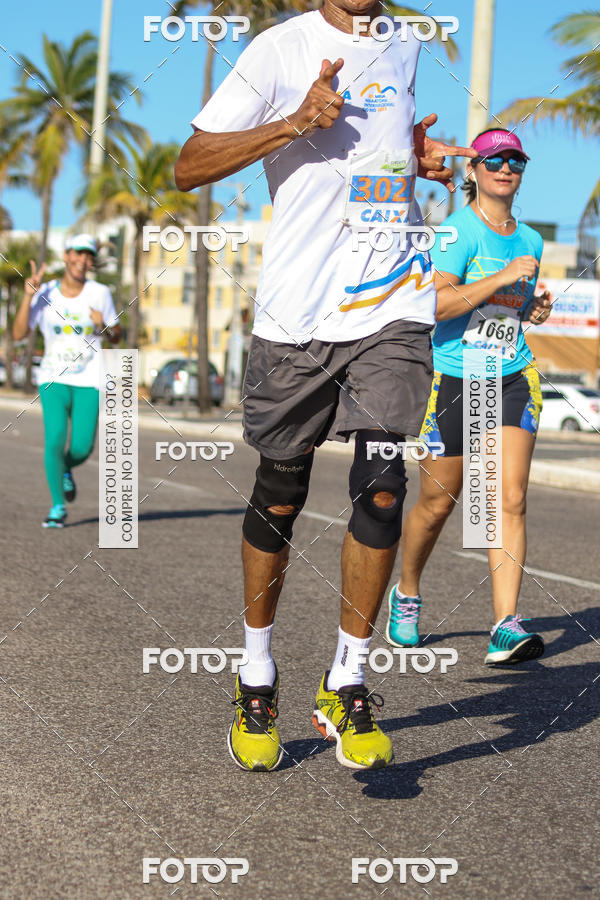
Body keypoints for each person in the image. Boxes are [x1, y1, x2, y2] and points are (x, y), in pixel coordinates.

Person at [176, 0, 475, 772]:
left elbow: (377, 149)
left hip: (392, 304)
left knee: (382, 488)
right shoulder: (279, 50)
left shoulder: (408, 43)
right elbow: (189, 166)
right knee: (281, 487)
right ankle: (257, 672)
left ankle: (348, 679)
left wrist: (416, 154)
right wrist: (294, 122)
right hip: (297, 313)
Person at [385, 128, 552, 665]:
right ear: (474, 171)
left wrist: (531, 310)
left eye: (516, 160)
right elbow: (436, 305)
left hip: (511, 373)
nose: (507, 168)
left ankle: (505, 623)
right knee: (439, 503)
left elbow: (503, 310)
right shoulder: (457, 233)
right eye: (495, 160)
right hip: (458, 376)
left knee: (511, 497)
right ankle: (406, 591)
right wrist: (504, 276)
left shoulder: (531, 239)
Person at [13, 234, 121, 528]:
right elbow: (19, 334)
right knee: (55, 439)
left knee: (83, 448)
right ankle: (57, 507)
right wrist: (27, 296)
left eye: (88, 255)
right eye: (78, 253)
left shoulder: (100, 292)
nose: (83, 260)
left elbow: (117, 334)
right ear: (66, 255)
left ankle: (65, 469)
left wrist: (105, 327)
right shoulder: (45, 291)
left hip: (90, 379)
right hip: (52, 377)